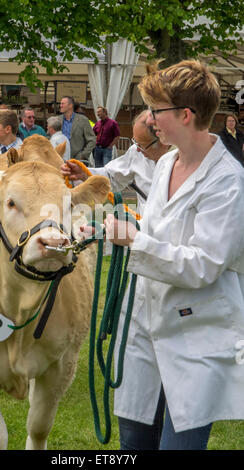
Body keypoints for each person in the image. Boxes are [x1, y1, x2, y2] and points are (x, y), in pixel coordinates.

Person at [102, 59, 244, 450]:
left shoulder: (228, 182)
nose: (148, 119)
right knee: (133, 441)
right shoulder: (165, 162)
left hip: (198, 331)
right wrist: (111, 233)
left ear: (185, 115)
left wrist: (135, 241)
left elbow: (204, 265)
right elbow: (156, 230)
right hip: (145, 326)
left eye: (155, 110)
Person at [61, 110, 170, 216]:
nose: (137, 149)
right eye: (135, 142)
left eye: (142, 145)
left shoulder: (182, 160)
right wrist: (84, 173)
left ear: (163, 140)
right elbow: (112, 176)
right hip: (144, 227)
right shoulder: (136, 152)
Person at [60, 96, 96, 162]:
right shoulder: (57, 120)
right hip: (60, 159)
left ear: (70, 105)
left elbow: (92, 140)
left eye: (63, 103)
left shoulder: (83, 120)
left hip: (77, 160)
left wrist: (83, 155)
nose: (60, 106)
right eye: (60, 103)